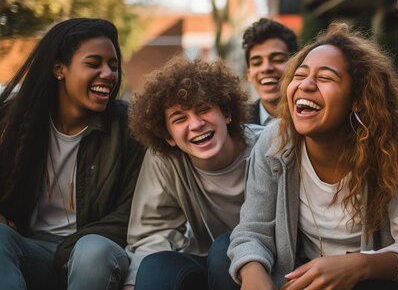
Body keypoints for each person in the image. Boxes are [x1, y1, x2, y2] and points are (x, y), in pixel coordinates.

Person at [225, 22, 398, 290]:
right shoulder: (274, 142)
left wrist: (360, 265)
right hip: (298, 278)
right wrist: (255, 278)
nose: (306, 85)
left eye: (325, 78)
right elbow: (251, 231)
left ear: (357, 98)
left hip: (369, 283)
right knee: (222, 256)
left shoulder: (391, 148)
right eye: (300, 74)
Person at [0, 18, 145, 290]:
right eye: (94, 64)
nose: (108, 74)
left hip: (94, 253)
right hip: (30, 249)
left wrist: (69, 249)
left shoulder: (130, 128)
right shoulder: (13, 121)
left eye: (113, 66)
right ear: (59, 69)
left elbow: (132, 214)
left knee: (91, 251)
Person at [123, 58, 264, 290]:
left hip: (267, 262)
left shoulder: (265, 146)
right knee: (156, 265)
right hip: (204, 261)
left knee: (225, 247)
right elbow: (153, 233)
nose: (196, 124)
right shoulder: (165, 159)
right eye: (180, 119)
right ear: (168, 136)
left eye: (204, 109)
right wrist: (132, 283)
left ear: (226, 113)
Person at [242, 18, 299, 125]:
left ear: (296, 66)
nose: (266, 68)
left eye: (278, 60)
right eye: (257, 63)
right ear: (249, 74)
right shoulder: (239, 126)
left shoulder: (313, 117)